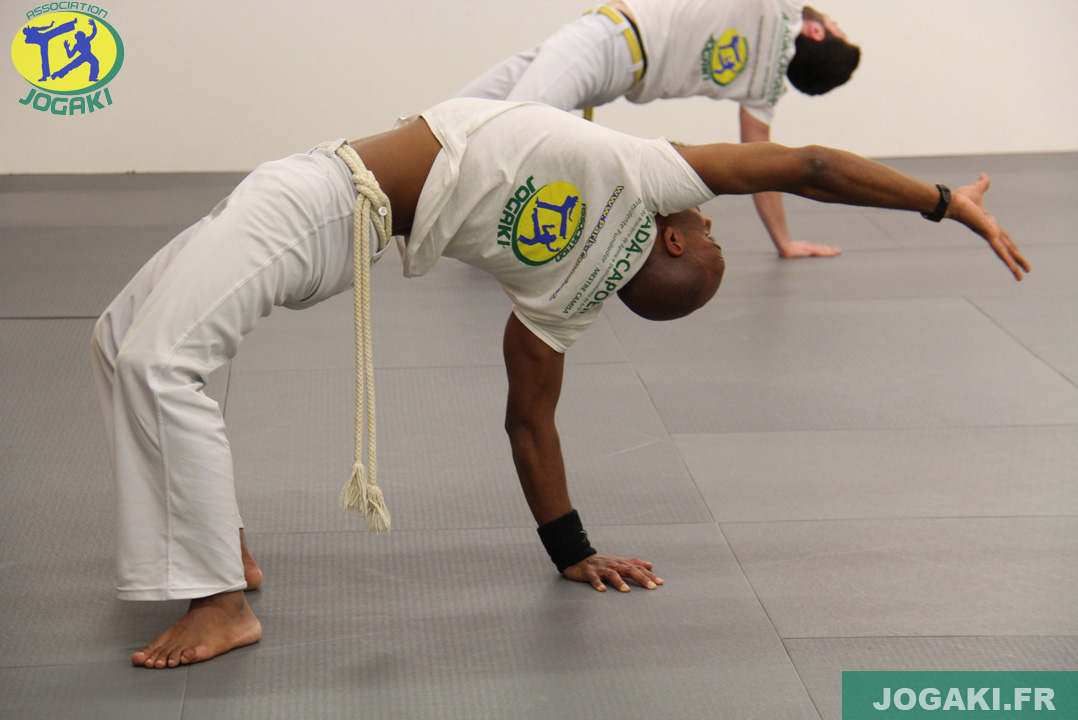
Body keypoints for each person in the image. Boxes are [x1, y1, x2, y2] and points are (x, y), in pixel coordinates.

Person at [90, 97, 1027, 670]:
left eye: (709, 234)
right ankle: (223, 545)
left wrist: (943, 203)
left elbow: (814, 167)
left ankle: (220, 599)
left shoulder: (643, 171)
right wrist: (572, 550)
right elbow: (528, 425)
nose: (709, 222)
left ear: (669, 236)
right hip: (334, 223)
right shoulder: (565, 296)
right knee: (124, 334)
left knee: (158, 359)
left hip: (323, 202)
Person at [453, 0, 861, 259]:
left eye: (837, 25)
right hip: (610, 67)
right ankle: (425, 204)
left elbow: (765, 172)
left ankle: (435, 218)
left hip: (606, 44)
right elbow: (765, 169)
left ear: (817, 31)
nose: (833, 16)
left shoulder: (777, 9)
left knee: (503, 129)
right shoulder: (765, 90)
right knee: (464, 115)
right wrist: (784, 242)